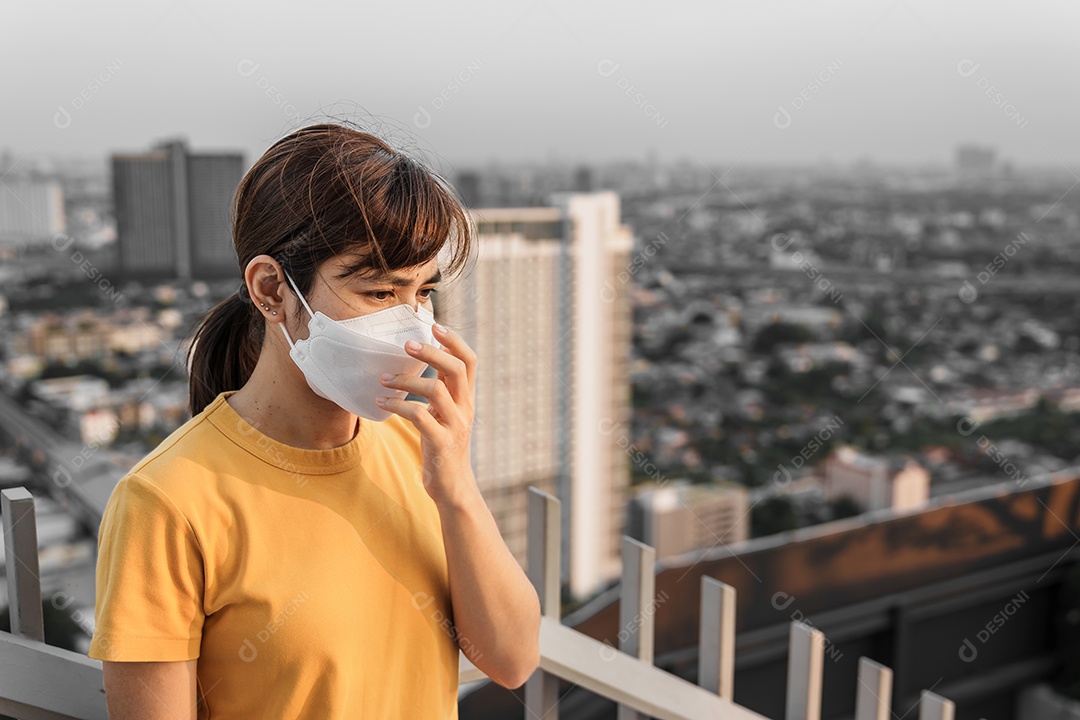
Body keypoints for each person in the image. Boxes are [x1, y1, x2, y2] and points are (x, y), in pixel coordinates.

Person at [87, 122, 541, 719]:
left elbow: (511, 659)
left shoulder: (416, 445)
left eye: (423, 293)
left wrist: (455, 486)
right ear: (272, 289)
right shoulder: (166, 502)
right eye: (380, 293)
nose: (413, 326)